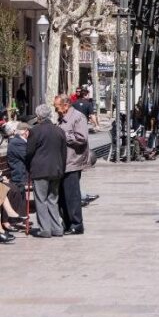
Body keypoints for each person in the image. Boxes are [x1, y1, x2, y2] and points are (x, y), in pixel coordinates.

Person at [27, 104, 67, 238]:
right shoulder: (59, 131)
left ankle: (45, 229)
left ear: (38, 116)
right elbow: (64, 153)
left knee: (41, 199)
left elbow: (29, 152)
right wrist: (61, 169)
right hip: (56, 170)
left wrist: (28, 167)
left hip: (40, 170)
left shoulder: (35, 131)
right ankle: (57, 228)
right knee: (53, 199)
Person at [54, 94, 90, 235]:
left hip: (73, 161)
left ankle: (76, 224)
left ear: (66, 105)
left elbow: (82, 138)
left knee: (72, 195)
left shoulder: (78, 117)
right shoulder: (62, 118)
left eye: (57, 106)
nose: (55, 109)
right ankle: (67, 223)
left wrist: (62, 135)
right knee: (62, 195)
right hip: (62, 162)